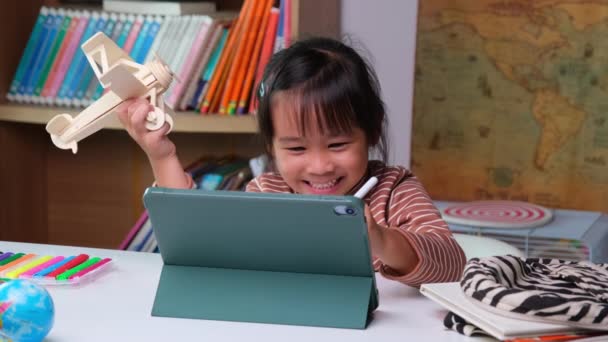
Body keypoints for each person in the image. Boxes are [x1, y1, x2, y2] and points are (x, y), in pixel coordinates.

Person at [117, 37, 466, 287]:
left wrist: (380, 239)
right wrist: (161, 155)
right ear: (271, 145)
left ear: (371, 132)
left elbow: (452, 263)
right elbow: (201, 241)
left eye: (338, 144)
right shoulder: (268, 191)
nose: (319, 166)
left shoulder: (395, 191)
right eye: (297, 149)